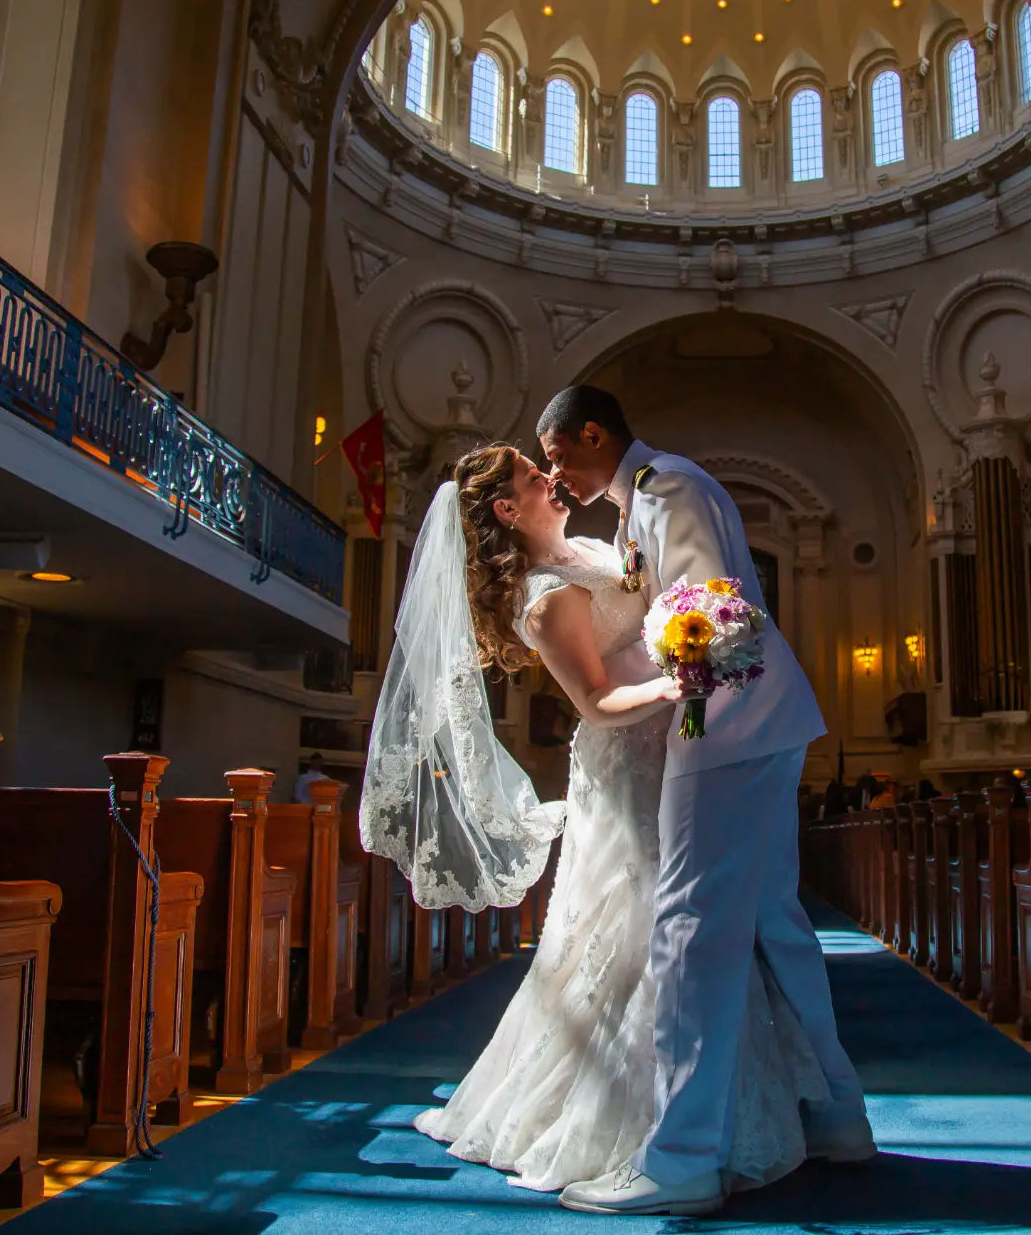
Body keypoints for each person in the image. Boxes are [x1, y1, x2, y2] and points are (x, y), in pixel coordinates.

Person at [361, 443, 832, 1200]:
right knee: (645, 925)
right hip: (629, 767)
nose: (548, 477)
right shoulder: (545, 597)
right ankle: (649, 1125)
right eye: (528, 473)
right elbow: (597, 701)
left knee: (689, 923)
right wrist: (680, 683)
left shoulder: (593, 545)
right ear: (509, 511)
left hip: (676, 752)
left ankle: (701, 1119)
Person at [541, 386, 874, 1217]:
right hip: (757, 719)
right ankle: (838, 1114)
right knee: (775, 922)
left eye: (557, 456)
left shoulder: (666, 487)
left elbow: (706, 610)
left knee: (688, 922)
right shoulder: (645, 495)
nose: (555, 475)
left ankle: (682, 1156)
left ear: (592, 434)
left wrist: (673, 691)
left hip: (722, 721)